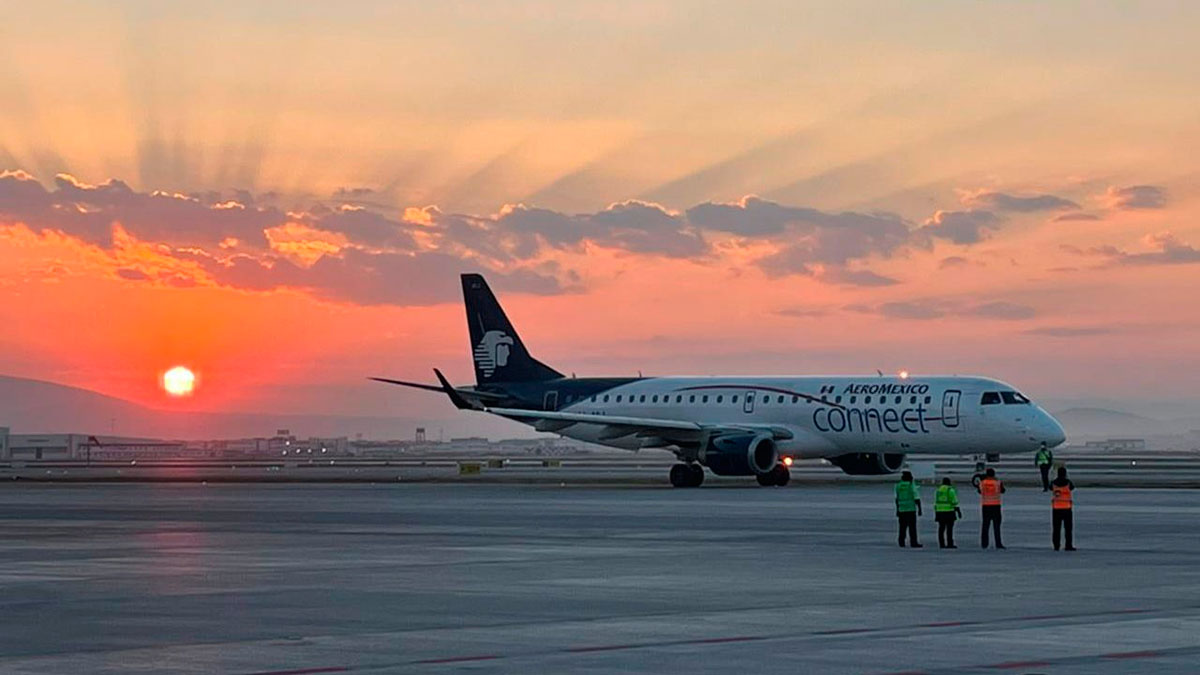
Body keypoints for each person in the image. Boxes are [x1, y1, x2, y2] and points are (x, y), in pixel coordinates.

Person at [977, 468, 1006, 549]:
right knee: (997, 526)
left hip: (985, 505)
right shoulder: (998, 482)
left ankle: (984, 544)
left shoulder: (982, 483)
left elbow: (979, 491)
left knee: (985, 525)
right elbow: (1003, 490)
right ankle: (998, 543)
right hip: (996, 505)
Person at [1051, 466, 1077, 551]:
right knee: (1068, 529)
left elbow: (1050, 488)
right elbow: (1072, 488)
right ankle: (1068, 545)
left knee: (1056, 528)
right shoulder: (1068, 482)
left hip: (1056, 508)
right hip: (1066, 508)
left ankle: (1056, 545)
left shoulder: (1054, 482)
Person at [894, 470, 923, 548]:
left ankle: (901, 542)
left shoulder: (898, 485)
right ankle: (913, 542)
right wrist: (920, 509)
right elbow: (916, 497)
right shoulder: (911, 485)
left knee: (902, 527)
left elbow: (897, 499)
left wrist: (897, 509)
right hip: (910, 509)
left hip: (901, 509)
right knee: (912, 527)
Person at [934, 477, 963, 549]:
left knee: (941, 528)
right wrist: (958, 512)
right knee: (949, 529)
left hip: (939, 511)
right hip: (949, 511)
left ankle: (941, 543)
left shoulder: (938, 490)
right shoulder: (950, 490)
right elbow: (954, 502)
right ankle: (950, 543)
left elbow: (936, 501)